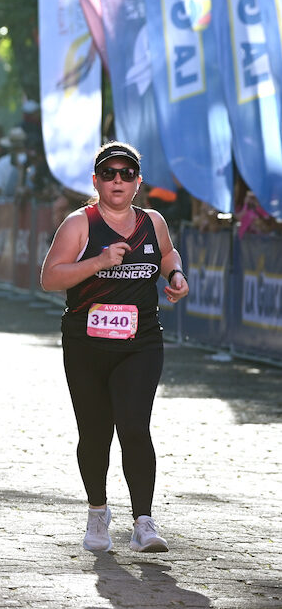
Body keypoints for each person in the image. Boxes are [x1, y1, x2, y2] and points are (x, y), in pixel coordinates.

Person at [40, 141, 189, 554]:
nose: (118, 180)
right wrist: (98, 262)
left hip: (140, 342)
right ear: (96, 181)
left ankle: (143, 521)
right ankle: (97, 512)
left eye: (126, 174)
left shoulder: (152, 221)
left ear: (138, 182)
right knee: (94, 433)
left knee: (134, 426)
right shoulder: (79, 224)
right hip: (86, 344)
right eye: (109, 173)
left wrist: (175, 274)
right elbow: (50, 278)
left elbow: (167, 253)